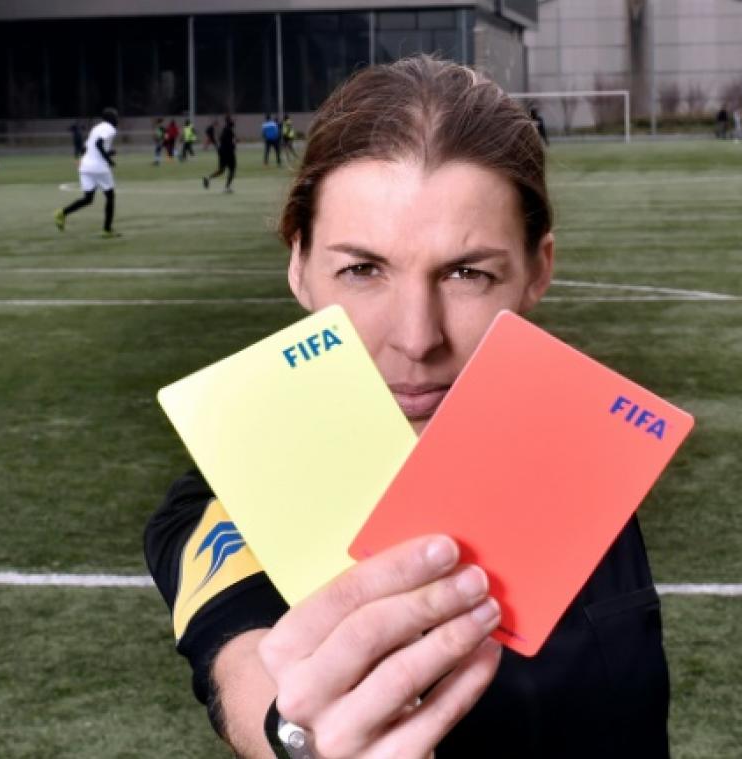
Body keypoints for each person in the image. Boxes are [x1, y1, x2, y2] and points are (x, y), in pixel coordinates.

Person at [146, 56, 670, 758]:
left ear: (538, 269)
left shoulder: (585, 450)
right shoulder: (224, 503)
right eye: (362, 269)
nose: (416, 338)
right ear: (298, 264)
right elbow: (249, 670)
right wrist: (299, 737)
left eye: (467, 273)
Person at [54, 107, 119, 237]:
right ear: (111, 119)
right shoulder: (110, 129)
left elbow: (87, 148)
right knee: (110, 196)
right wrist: (108, 159)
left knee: (88, 198)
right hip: (99, 167)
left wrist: (107, 153)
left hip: (85, 167)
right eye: (116, 117)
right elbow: (99, 144)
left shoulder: (96, 128)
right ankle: (107, 230)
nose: (117, 119)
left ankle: (62, 212)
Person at [202, 115, 237, 193]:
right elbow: (231, 143)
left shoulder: (225, 130)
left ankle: (208, 178)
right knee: (232, 169)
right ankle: (227, 187)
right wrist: (234, 145)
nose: (234, 122)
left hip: (221, 152)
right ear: (230, 121)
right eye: (233, 120)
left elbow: (222, 140)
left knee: (221, 170)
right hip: (228, 152)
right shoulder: (229, 130)